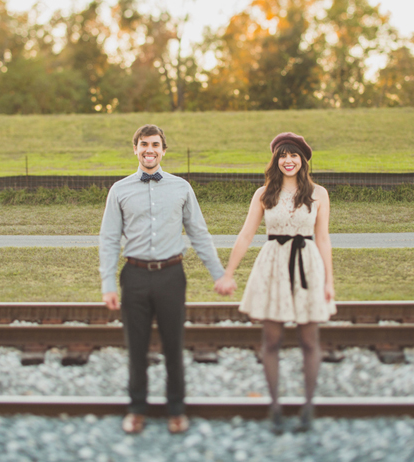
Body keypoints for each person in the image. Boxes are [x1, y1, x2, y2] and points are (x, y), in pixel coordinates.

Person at [99, 124, 227, 434]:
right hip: (135, 277)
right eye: (144, 144)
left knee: (173, 346)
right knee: (137, 348)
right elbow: (109, 238)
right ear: (136, 149)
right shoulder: (119, 190)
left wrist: (218, 273)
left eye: (155, 144)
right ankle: (137, 409)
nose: (149, 150)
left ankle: (176, 410)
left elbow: (199, 233)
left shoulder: (181, 187)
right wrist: (107, 283)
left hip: (171, 276)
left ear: (163, 150)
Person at [215, 132, 335, 434]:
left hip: (307, 266)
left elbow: (323, 238)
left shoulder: (318, 194)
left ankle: (308, 406)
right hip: (272, 266)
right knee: (271, 341)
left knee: (309, 341)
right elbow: (245, 235)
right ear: (275, 160)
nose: (288, 160)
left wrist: (329, 281)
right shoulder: (264, 193)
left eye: (293, 155)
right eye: (282, 155)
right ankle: (276, 406)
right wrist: (228, 273)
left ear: (302, 160)